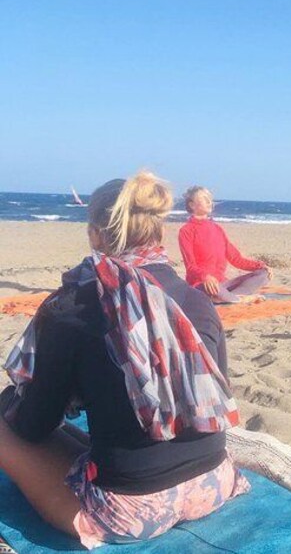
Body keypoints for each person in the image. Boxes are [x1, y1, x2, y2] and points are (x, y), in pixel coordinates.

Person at [0, 172, 248, 549]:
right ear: (159, 233)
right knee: (77, 434)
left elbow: (35, 427)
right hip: (214, 483)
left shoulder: (73, 309)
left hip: (131, 512)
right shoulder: (198, 303)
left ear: (97, 236)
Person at [179, 186, 271, 303]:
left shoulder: (217, 229)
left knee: (264, 274)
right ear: (192, 205)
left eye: (209, 199)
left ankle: (230, 298)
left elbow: (236, 259)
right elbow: (190, 266)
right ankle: (237, 299)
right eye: (204, 198)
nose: (209, 202)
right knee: (215, 290)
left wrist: (261, 266)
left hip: (223, 285)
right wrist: (205, 276)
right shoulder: (186, 231)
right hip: (202, 285)